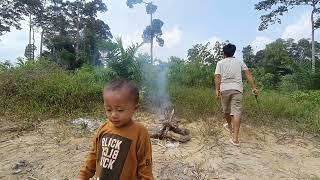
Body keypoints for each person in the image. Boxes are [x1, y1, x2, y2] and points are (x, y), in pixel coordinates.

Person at [78, 79, 154, 180]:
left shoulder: (140, 132)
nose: (113, 115)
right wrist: (83, 175)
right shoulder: (103, 129)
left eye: (120, 110)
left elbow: (145, 164)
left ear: (135, 108)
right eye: (109, 109)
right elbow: (94, 155)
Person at [214, 43, 258, 146]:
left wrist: (217, 89)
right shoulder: (240, 62)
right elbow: (248, 74)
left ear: (224, 53)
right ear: (233, 52)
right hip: (237, 89)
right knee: (236, 112)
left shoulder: (220, 63)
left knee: (226, 110)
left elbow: (217, 76)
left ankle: (230, 127)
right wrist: (254, 88)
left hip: (224, 89)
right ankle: (235, 139)